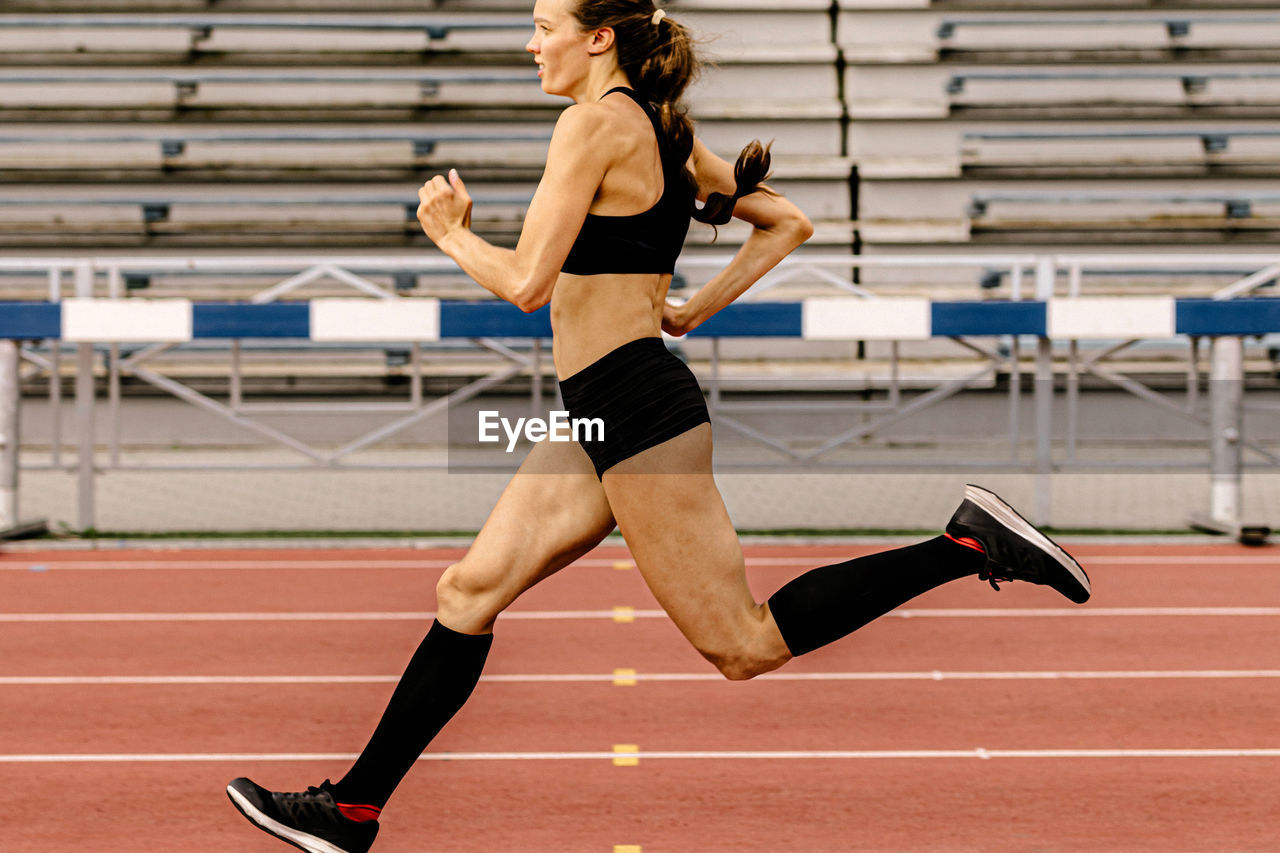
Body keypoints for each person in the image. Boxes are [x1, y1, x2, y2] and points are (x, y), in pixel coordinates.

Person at [226, 2, 1091, 851]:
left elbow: (528, 281)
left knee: (744, 645)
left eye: (544, 28)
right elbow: (786, 222)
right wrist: (684, 313)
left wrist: (452, 235)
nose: (531, 45)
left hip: (635, 411)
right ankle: (350, 812)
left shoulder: (595, 126)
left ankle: (968, 545)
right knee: (467, 592)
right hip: (600, 406)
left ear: (597, 38)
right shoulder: (665, 129)